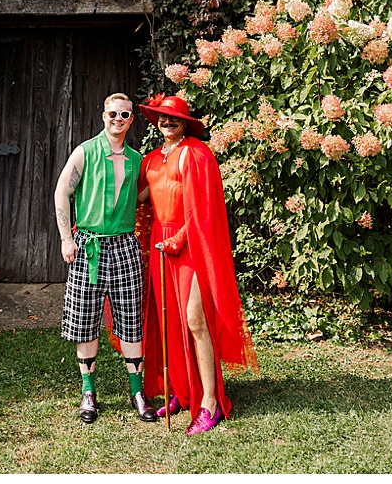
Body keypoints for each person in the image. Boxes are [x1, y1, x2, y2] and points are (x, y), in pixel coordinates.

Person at [137, 93, 256, 435]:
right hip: (161, 242)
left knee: (195, 319)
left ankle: (210, 403)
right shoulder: (152, 159)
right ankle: (183, 391)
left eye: (174, 118)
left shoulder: (196, 153)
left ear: (185, 123)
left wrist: (180, 238)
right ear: (156, 122)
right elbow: (140, 197)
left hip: (191, 243)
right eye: (162, 118)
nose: (168, 122)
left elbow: (203, 209)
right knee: (169, 321)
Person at [53, 93, 158, 424]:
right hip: (89, 246)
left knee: (131, 320)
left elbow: (142, 194)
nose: (118, 118)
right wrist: (66, 239)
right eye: (113, 113)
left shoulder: (136, 158)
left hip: (125, 244)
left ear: (130, 119)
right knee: (85, 321)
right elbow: (62, 192)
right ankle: (88, 392)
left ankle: (138, 392)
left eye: (125, 114)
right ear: (103, 115)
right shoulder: (85, 152)